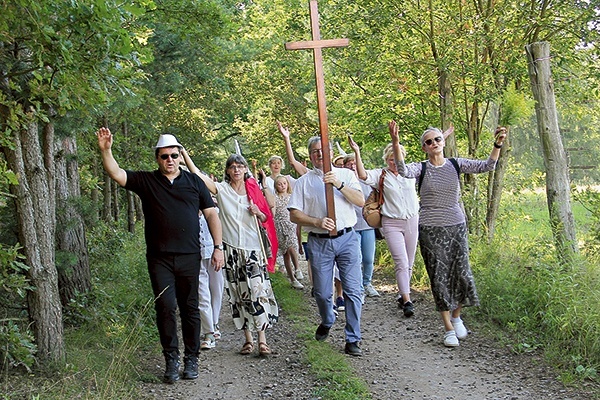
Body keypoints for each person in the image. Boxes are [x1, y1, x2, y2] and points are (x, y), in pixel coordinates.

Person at [96, 128, 224, 384]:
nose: (170, 160)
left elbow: (211, 214)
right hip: (159, 257)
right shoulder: (147, 181)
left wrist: (218, 248)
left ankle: (191, 359)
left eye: (174, 155)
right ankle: (171, 359)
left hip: (190, 254)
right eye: (164, 156)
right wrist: (106, 150)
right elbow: (117, 174)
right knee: (165, 307)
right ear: (157, 158)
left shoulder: (194, 182)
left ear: (180, 155)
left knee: (190, 309)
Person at [389, 120, 507, 347]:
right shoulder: (421, 168)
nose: (434, 143)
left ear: (444, 142)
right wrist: (396, 142)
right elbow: (403, 170)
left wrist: (497, 144)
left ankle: (456, 316)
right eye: (429, 142)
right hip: (431, 230)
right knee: (439, 276)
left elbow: (488, 166)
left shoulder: (455, 164)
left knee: (461, 273)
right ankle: (448, 329)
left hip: (456, 227)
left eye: (437, 139)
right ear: (424, 147)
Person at [185, 153, 279, 356]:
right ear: (227, 170)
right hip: (232, 249)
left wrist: (258, 211)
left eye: (240, 166)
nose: (236, 170)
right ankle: (248, 340)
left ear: (245, 169)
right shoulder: (223, 191)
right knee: (238, 293)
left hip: (253, 249)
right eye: (233, 167)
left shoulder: (253, 190)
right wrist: (184, 155)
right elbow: (199, 176)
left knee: (258, 292)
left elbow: (265, 216)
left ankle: (262, 340)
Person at [288, 136, 365, 356]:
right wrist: (316, 221)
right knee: (322, 293)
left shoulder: (346, 175)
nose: (319, 154)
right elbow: (294, 214)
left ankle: (353, 338)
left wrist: (338, 184)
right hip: (319, 241)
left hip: (348, 238)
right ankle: (328, 318)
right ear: (310, 155)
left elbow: (360, 201)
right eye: (314, 151)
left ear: (330, 152)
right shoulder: (304, 181)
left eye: (323, 150)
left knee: (353, 290)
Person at [348, 136, 419, 317]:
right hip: (391, 221)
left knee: (409, 262)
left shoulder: (410, 172)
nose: (395, 162)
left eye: (397, 158)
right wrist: (357, 152)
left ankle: (402, 294)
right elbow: (363, 175)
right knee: (401, 262)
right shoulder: (381, 175)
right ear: (387, 160)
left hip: (412, 220)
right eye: (391, 159)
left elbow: (432, 165)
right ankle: (407, 300)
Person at [342, 153, 379, 303]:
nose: (352, 165)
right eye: (349, 163)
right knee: (356, 258)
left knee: (369, 258)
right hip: (352, 226)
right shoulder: (343, 181)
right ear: (344, 166)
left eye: (354, 163)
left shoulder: (367, 180)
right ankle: (359, 289)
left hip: (367, 225)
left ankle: (367, 282)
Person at [197, 212, 225, 350]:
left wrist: (219, 250)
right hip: (194, 256)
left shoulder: (215, 211)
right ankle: (209, 333)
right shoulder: (186, 210)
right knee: (202, 295)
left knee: (217, 290)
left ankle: (214, 323)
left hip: (214, 254)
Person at [273, 175, 304, 289]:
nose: (282, 186)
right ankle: (292, 278)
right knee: (285, 252)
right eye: (279, 184)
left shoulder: (292, 197)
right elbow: (273, 211)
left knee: (291, 245)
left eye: (284, 183)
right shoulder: (275, 198)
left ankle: (297, 268)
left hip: (290, 224)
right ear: (276, 186)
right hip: (279, 226)